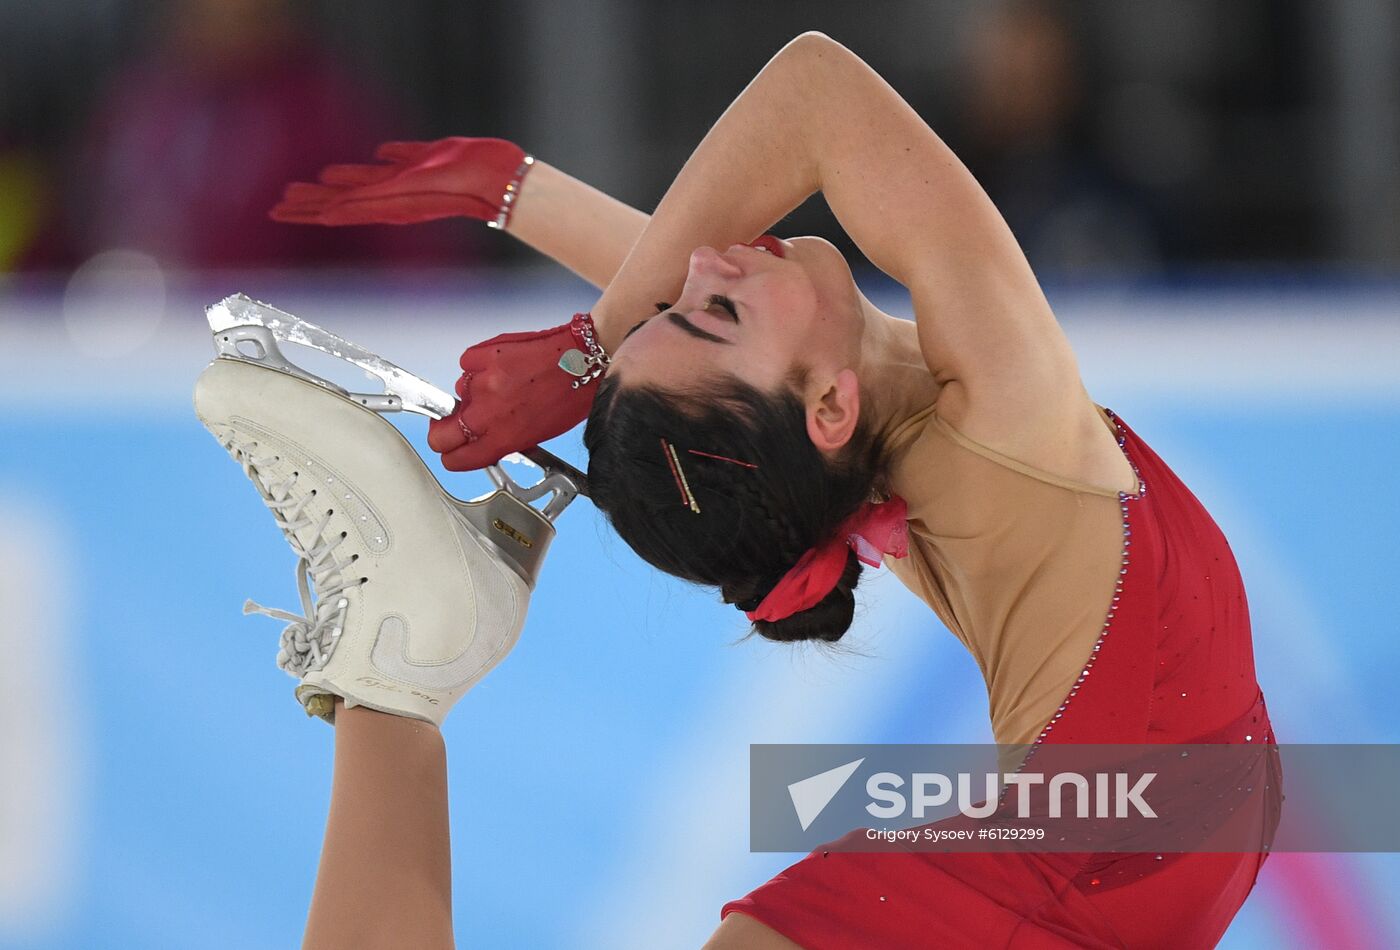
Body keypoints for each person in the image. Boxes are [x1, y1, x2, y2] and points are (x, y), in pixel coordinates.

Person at [263, 32, 1276, 947]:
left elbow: (709, 322)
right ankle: (396, 684)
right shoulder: (997, 412)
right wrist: (587, 345)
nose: (703, 254)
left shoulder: (853, 448)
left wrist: (517, 192)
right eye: (711, 309)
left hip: (1119, 859)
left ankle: (395, 689)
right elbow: (814, 94)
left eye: (685, 299)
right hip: (1096, 858)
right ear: (823, 409)